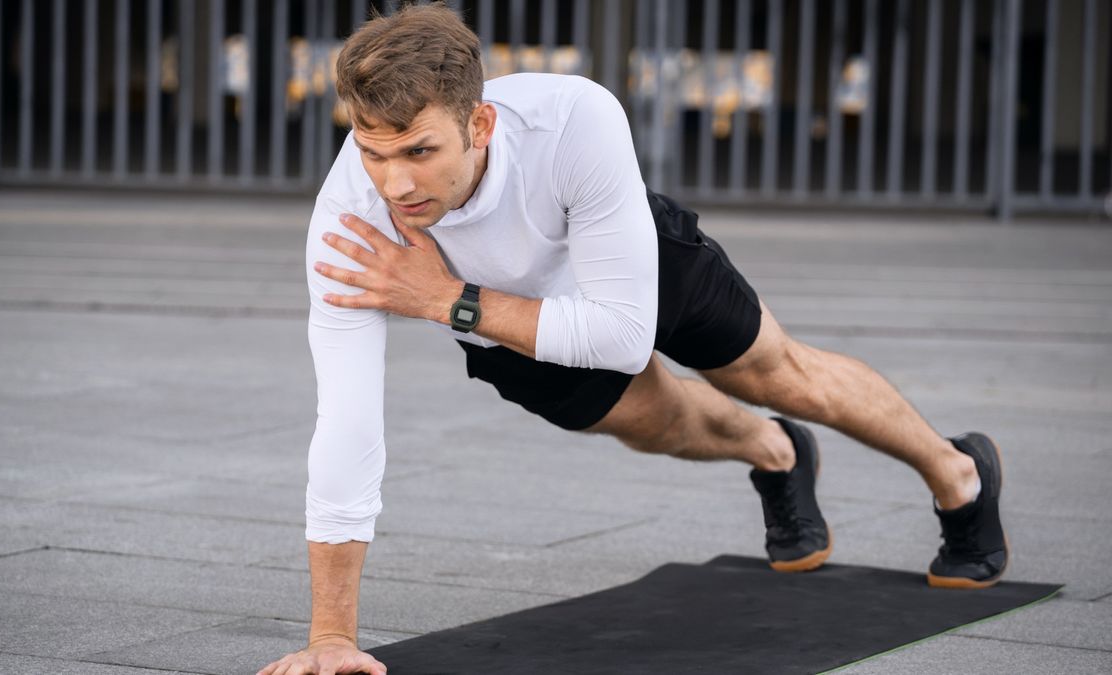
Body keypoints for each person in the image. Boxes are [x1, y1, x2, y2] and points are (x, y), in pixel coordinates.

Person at [257, 5, 1008, 674]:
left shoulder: (573, 118)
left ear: (478, 125)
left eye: (419, 151)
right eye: (372, 152)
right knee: (665, 424)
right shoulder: (349, 223)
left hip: (628, 265)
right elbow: (348, 421)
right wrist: (331, 634)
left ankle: (959, 471)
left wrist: (449, 300)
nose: (395, 185)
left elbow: (622, 333)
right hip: (505, 330)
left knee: (777, 372)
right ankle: (776, 452)